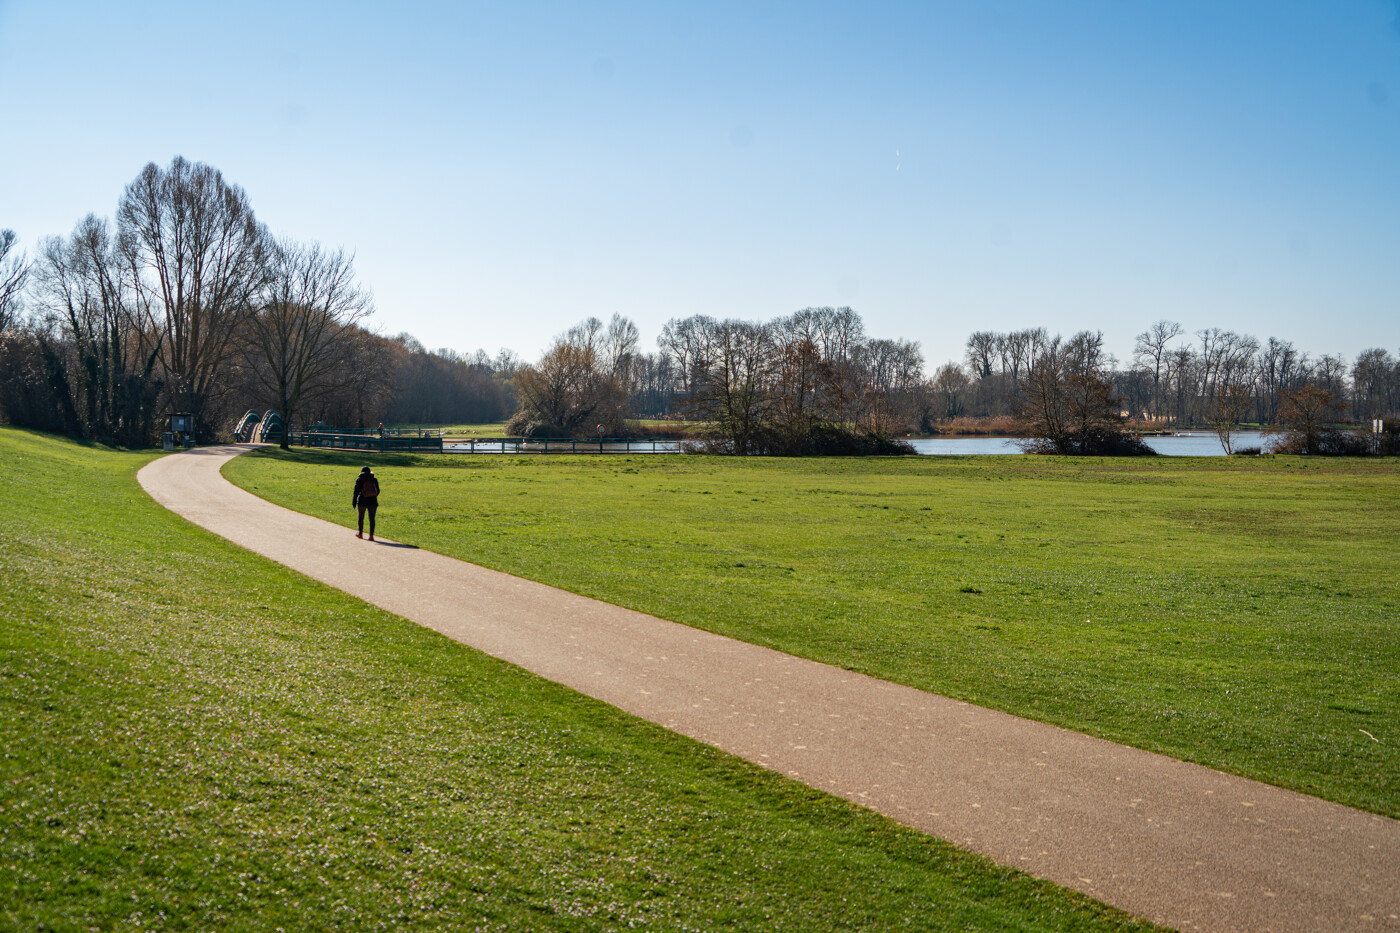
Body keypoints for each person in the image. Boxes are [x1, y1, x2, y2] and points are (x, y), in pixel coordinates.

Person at [352, 466, 380, 541]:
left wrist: (354, 501)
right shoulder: (374, 479)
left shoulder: (359, 479)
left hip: (362, 501)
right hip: (373, 501)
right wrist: (372, 496)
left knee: (361, 518)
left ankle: (360, 533)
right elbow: (378, 491)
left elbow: (356, 491)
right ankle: (371, 536)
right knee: (372, 519)